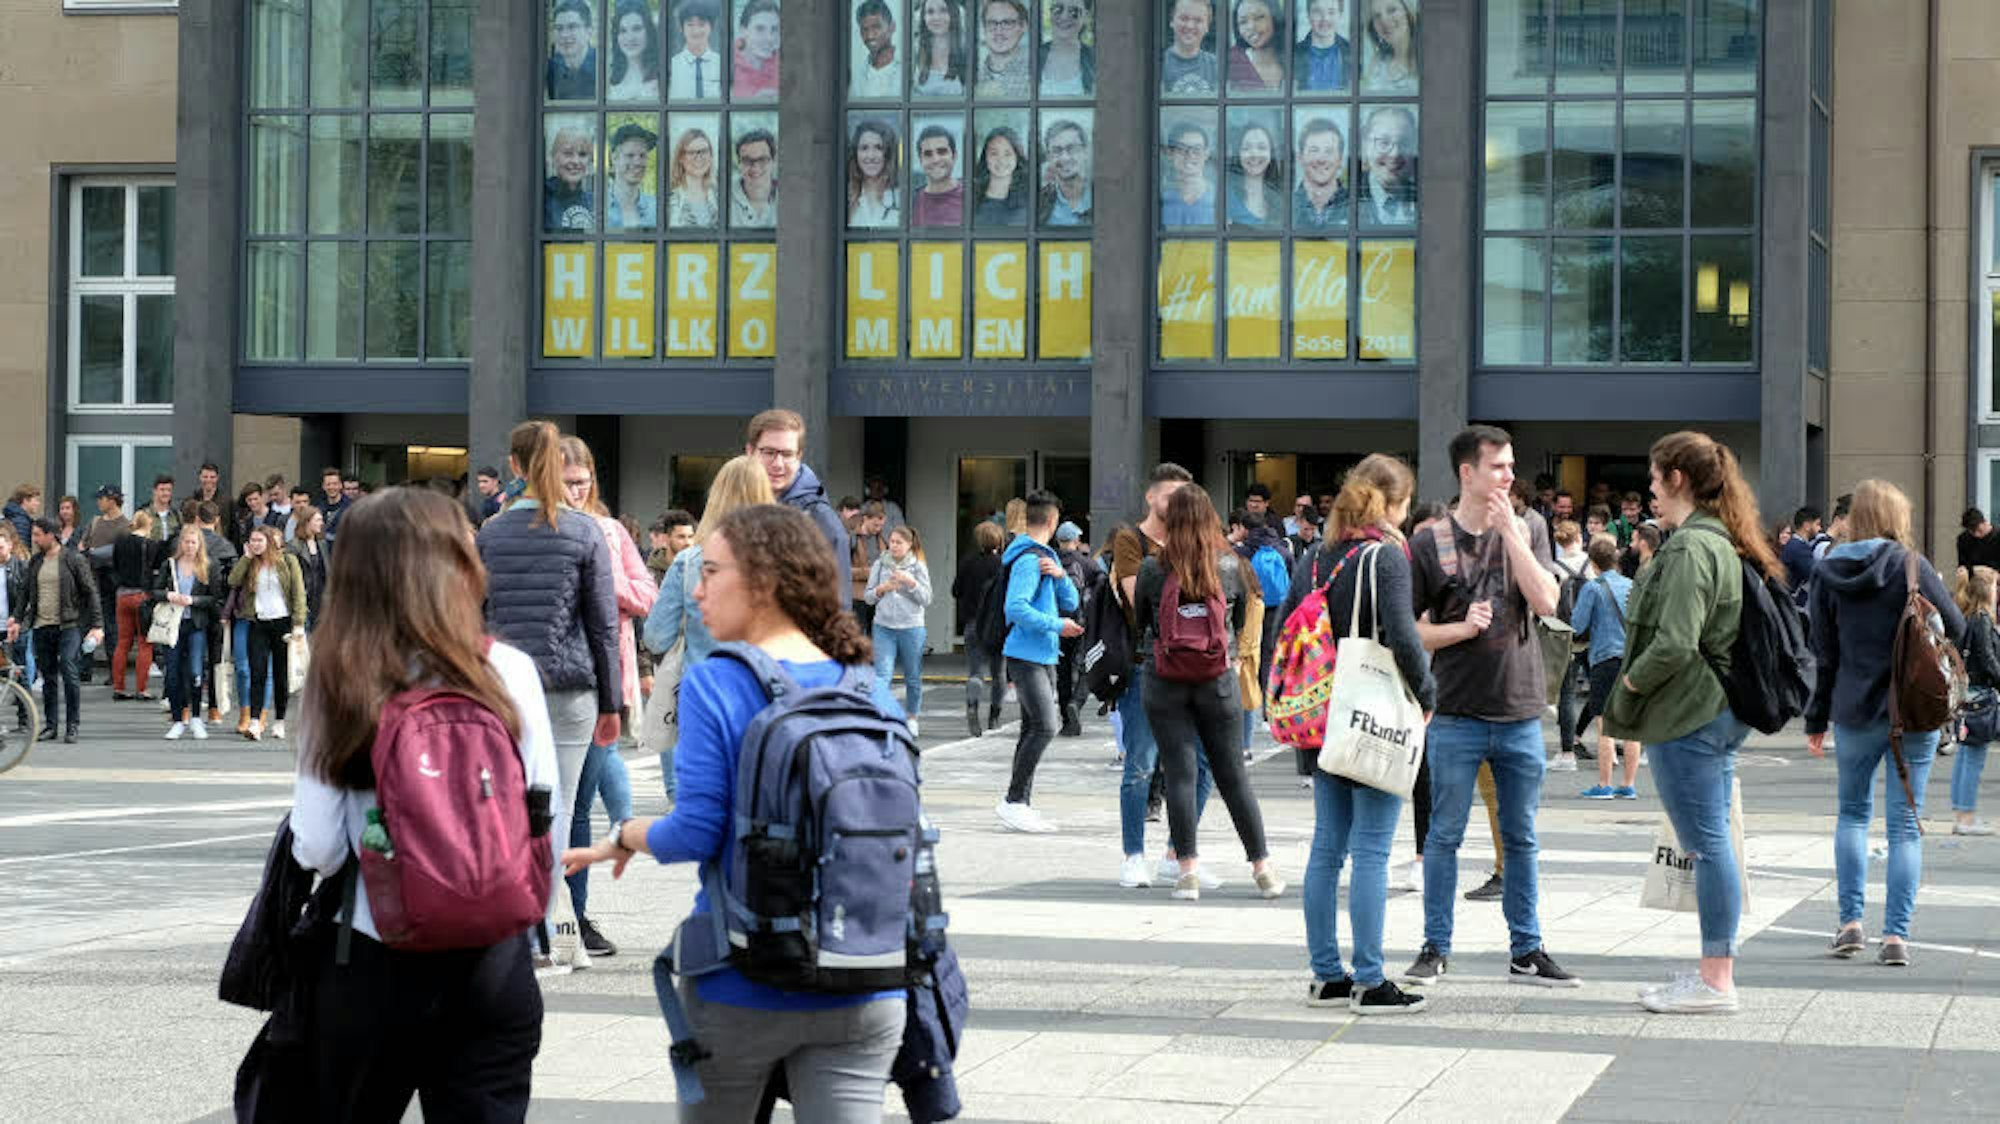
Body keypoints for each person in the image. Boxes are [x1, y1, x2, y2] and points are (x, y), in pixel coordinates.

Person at [562, 505, 906, 1120]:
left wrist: (627, 833)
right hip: (866, 970)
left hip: (746, 974)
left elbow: (696, 831)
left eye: (711, 571)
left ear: (764, 584)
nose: (696, 588)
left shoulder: (717, 681)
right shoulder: (862, 681)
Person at [289, 487, 554, 1120]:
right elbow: (542, 808)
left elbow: (320, 847)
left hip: (374, 951)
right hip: (494, 955)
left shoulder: (341, 675)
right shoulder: (510, 670)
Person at [1401, 426, 1580, 989]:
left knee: (1522, 836)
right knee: (1444, 836)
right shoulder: (1429, 540)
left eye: (1510, 466)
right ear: (1467, 473)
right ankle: (1435, 946)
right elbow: (1405, 632)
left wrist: (1513, 535)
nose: (1508, 476)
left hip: (1522, 711)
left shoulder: (1528, 527)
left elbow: (1548, 601)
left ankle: (1527, 949)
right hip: (1455, 714)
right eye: (1498, 467)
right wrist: (1458, 628)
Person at [478, 421, 621, 974]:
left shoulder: (489, 533)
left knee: (507, 802)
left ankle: (513, 924)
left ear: (514, 467)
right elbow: (603, 626)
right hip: (570, 687)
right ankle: (550, 927)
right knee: (557, 806)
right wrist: (612, 704)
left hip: (504, 686)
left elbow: (476, 615)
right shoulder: (585, 531)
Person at [1804, 479, 1963, 971]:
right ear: (1898, 517)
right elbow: (1956, 627)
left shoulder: (1827, 571)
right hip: (1911, 711)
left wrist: (1816, 718)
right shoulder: (1912, 566)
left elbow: (1823, 654)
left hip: (1853, 708)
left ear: (1856, 518)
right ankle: (1896, 935)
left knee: (1852, 814)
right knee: (1905, 826)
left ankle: (1849, 924)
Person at [1301, 455, 1433, 1014]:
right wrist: (1427, 696)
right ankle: (1371, 980)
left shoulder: (1318, 554)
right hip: (1373, 712)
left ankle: (1327, 975)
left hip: (1324, 712)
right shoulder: (1387, 556)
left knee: (1327, 846)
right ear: (1396, 503)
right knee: (1373, 850)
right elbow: (1403, 637)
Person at [1133, 485, 1284, 901]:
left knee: (1180, 774)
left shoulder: (1151, 569)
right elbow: (1241, 625)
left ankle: (1187, 873)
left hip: (1164, 679)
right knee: (1233, 775)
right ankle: (1263, 869)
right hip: (1217, 679)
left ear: (1170, 521)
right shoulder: (1231, 566)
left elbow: (1142, 624)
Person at [558, 437, 656, 959]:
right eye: (568, 482)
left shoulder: (612, 532)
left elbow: (645, 596)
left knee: (578, 802)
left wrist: (603, 578)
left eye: (584, 481)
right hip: (547, 679)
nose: (578, 491)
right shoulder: (535, 527)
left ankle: (574, 915)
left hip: (602, 680)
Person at [1111, 464, 1219, 886]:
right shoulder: (1130, 539)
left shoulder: (1199, 542)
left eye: (1183, 497)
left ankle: (1178, 852)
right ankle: (1133, 854)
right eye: (1168, 496)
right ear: (1150, 498)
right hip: (1147, 665)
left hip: (1199, 668)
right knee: (1141, 762)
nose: (1175, 505)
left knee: (1204, 763)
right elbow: (1143, 602)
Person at [643, 458, 775, 799]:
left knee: (704, 802)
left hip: (701, 694)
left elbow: (656, 636)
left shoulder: (688, 563)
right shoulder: (784, 558)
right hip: (764, 694)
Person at [995, 491, 1082, 833]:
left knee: (1032, 728)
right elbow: (1015, 608)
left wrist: (1060, 576)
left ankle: (1019, 804)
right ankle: (1014, 800)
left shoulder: (1046, 557)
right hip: (1027, 653)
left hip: (1043, 654)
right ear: (1053, 521)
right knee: (1046, 726)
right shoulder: (1029, 559)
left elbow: (1071, 600)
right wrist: (1057, 625)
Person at [9, 518, 103, 743]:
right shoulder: (36, 561)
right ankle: (51, 725)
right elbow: (24, 594)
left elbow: (91, 592)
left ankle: (72, 725)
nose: (35, 538)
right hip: (42, 625)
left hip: (69, 624)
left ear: (52, 535)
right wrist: (17, 619)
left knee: (69, 669)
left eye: (38, 534)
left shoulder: (73, 559)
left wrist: (97, 625)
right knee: (48, 676)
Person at [744, 409, 850, 597]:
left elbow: (837, 609)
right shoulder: (736, 508)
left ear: (799, 456)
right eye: (769, 452)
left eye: (786, 454)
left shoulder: (821, 522)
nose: (778, 464)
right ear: (750, 451)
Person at [1570, 534, 1638, 799]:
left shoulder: (1593, 587)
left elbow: (1577, 625)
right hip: (1632, 659)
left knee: (1605, 725)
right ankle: (1629, 784)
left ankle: (1604, 784)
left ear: (1593, 563)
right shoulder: (1632, 585)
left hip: (1605, 659)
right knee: (1632, 725)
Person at [229, 526, 307, 742]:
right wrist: (245, 558)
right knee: (257, 672)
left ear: (269, 542)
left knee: (281, 675)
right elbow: (233, 581)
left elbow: (298, 593)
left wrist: (298, 623)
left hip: (283, 624)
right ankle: (255, 721)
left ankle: (280, 721)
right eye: (252, 540)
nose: (254, 544)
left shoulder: (288, 561)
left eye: (259, 540)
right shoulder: (251, 562)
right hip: (259, 623)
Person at [154, 525, 217, 741]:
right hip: (173, 624)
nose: (189, 546)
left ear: (199, 544)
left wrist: (193, 600)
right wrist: (168, 595)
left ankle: (197, 717)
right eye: (186, 542)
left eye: (193, 542)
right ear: (180, 543)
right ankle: (178, 719)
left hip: (196, 623)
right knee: (172, 673)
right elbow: (154, 591)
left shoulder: (208, 566)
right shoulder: (170, 565)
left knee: (195, 672)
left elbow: (215, 599)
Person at [867, 524, 933, 732]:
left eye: (898, 542)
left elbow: (927, 598)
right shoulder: (880, 564)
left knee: (912, 676)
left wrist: (910, 583)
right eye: (891, 542)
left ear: (909, 545)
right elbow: (868, 597)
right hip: (883, 626)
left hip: (911, 627)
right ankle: (881, 717)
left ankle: (912, 717)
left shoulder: (917, 566)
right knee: (882, 675)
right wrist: (883, 588)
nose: (893, 546)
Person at [1951, 565, 1999, 835]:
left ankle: (1961, 811)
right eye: (1996, 586)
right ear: (1987, 589)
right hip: (1981, 698)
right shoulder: (1981, 619)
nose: (1998, 591)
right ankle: (1966, 818)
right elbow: (1988, 660)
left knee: (1966, 756)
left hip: (1968, 697)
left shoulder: (1968, 616)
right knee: (1973, 758)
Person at [954, 519, 1008, 736]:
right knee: (999, 673)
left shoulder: (968, 562)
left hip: (973, 623)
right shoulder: (1003, 565)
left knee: (976, 671)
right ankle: (994, 717)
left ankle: (972, 705)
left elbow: (956, 590)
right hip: (996, 625)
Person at [104, 510, 163, 701]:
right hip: (142, 596)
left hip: (122, 595)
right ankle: (141, 688)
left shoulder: (120, 542)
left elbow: (113, 566)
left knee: (123, 643)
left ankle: (119, 687)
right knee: (145, 644)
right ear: (149, 525)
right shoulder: (150, 545)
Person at [1356, 105, 1417, 225]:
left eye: (1404, 143)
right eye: (1384, 143)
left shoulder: (1429, 198)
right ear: (1365, 146)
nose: (1395, 154)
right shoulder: (1345, 198)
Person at [1293, 116, 1349, 229]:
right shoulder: (1284, 206)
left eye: (1329, 151)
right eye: (1314, 150)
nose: (1321, 159)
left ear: (1340, 160)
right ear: (1300, 158)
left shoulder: (1358, 206)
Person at [846, 119, 901, 228]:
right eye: (864, 148)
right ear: (855, 154)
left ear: (888, 153)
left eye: (878, 148)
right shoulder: (845, 199)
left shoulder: (902, 198)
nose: (870, 156)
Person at [1160, 120, 1217, 227]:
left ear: (1206, 154)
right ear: (1170, 153)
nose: (1189, 155)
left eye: (1197, 150)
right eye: (1181, 149)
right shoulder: (1161, 199)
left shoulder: (1220, 198)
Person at [604, 123, 659, 232]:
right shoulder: (596, 206)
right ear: (614, 158)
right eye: (630, 155)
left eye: (642, 156)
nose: (638, 162)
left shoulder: (657, 207)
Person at [544, 120, 597, 233]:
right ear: (552, 157)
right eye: (568, 153)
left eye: (582, 154)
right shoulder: (541, 198)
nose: (576, 161)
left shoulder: (594, 201)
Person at [1037, 118, 1092, 226]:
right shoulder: (1038, 202)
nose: (1065, 157)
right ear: (1048, 157)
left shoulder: (1102, 197)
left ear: (1085, 152)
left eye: (1071, 149)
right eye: (1057, 151)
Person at [1228, 121, 1282, 226]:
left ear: (1271, 154)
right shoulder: (1225, 197)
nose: (1254, 154)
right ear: (1238, 154)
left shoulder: (1280, 199)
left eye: (1262, 147)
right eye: (1246, 148)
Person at [972, 125, 1029, 227]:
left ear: (1017, 157)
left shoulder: (1030, 197)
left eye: (1007, 154)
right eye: (994, 153)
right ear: (985, 157)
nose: (1001, 160)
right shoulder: (971, 195)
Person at [606, 0, 662, 100]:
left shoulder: (662, 78)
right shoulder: (607, 82)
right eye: (623, 31)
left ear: (649, 31)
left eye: (637, 29)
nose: (630, 38)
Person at [667, 0, 724, 100]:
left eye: (701, 24)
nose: (696, 31)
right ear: (681, 28)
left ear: (711, 27)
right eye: (690, 25)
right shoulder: (672, 65)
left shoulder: (722, 64)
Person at [1161, 0, 1220, 96]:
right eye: (1184, 18)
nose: (1190, 26)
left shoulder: (1216, 65)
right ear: (1171, 21)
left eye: (1198, 20)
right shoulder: (1159, 64)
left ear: (1207, 27)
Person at [912, 124, 965, 227]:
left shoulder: (972, 197)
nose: (935, 159)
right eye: (928, 154)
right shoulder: (910, 202)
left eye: (942, 152)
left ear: (954, 156)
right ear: (921, 160)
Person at [666, 127, 720, 228]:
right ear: (681, 158)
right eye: (691, 152)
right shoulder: (669, 199)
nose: (699, 157)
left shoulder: (721, 196)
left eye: (704, 151)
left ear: (711, 156)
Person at [975, 0, 1031, 97]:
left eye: (1007, 23)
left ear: (1023, 26)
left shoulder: (1035, 72)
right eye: (992, 23)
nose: (999, 31)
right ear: (984, 28)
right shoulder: (972, 74)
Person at [1038, 0, 1094, 96]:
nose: (1064, 17)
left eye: (1073, 11)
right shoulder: (1032, 56)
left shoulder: (1096, 60)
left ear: (1086, 16)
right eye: (1058, 9)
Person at [1293, 0, 1352, 92]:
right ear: (1308, 15)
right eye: (1317, 12)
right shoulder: (1294, 53)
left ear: (1340, 15)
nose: (1325, 18)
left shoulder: (1351, 52)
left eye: (1331, 12)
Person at [912, 0, 968, 96]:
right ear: (923, 18)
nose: (936, 17)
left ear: (953, 13)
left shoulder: (966, 52)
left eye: (943, 10)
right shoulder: (914, 53)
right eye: (930, 12)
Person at [1228, 0, 1285, 93]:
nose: (1251, 27)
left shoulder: (1294, 57)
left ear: (1275, 19)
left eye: (1259, 18)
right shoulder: (1230, 61)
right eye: (1243, 22)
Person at [1360, 0, 1417, 92]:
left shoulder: (1427, 58)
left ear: (1407, 12)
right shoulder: (1377, 63)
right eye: (1377, 16)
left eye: (1391, 10)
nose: (1384, 20)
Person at [546, 0, 598, 99]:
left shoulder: (602, 66)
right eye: (559, 28)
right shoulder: (549, 69)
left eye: (572, 27)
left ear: (589, 31)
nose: (564, 35)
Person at [850, 502, 889, 633]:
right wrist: (868, 573)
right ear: (866, 518)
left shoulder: (883, 538)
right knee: (859, 635)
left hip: (878, 595)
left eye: (881, 526)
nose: (878, 529)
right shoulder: (852, 538)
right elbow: (842, 569)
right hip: (858, 596)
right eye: (875, 525)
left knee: (878, 636)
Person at [289, 504, 328, 632]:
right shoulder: (293, 546)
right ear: (307, 521)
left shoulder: (322, 544)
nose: (321, 523)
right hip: (303, 600)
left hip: (321, 600)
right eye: (318, 520)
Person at [730, 127, 778, 227]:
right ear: (739, 164)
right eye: (747, 160)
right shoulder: (723, 196)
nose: (755, 167)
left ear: (773, 162)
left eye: (762, 159)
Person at [731, 0, 781, 98]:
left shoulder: (787, 64)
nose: (769, 38)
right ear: (743, 31)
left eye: (774, 29)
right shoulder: (725, 65)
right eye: (760, 29)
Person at [851, 0, 901, 98]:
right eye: (864, 29)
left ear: (892, 27)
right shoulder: (859, 74)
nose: (870, 36)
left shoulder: (909, 68)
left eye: (876, 27)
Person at [1958, 508, 2000, 572]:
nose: (1976, 534)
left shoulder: (1998, 537)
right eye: (1972, 531)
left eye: (1979, 530)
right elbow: (1963, 565)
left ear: (1984, 522)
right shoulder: (1964, 539)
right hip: (1973, 579)